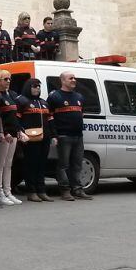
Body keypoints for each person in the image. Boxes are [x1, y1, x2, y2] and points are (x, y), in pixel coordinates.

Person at [47, 71, 93, 201]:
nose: (74, 80)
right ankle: (65, 190)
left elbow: (81, 114)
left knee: (77, 164)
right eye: (70, 78)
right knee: (63, 165)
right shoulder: (55, 97)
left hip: (78, 136)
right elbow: (49, 117)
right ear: (62, 81)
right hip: (63, 136)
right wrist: (54, 135)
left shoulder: (79, 97)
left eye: (74, 78)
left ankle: (77, 189)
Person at [17, 78, 55, 202]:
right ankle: (31, 191)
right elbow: (17, 119)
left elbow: (50, 120)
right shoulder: (22, 101)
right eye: (34, 86)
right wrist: (21, 133)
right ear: (28, 87)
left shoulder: (44, 102)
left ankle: (42, 190)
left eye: (38, 86)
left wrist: (54, 135)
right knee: (30, 165)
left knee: (41, 165)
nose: (37, 88)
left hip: (45, 138)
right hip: (30, 138)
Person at [0, 69, 26, 205]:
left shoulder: (11, 95)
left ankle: (8, 191)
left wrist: (18, 130)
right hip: (4, 134)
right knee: (0, 164)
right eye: (5, 79)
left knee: (9, 164)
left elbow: (15, 116)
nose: (8, 82)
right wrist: (4, 131)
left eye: (9, 79)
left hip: (13, 133)